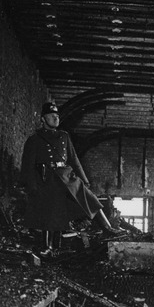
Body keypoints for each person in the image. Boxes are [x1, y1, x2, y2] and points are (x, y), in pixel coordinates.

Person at [20, 101, 121, 253]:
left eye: (57, 116)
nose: (56, 119)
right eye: (52, 116)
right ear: (43, 119)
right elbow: (27, 165)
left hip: (67, 176)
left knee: (90, 199)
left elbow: (74, 159)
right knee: (51, 212)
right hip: (47, 179)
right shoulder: (35, 139)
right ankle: (49, 247)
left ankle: (108, 228)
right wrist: (32, 186)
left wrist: (84, 180)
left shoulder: (64, 136)